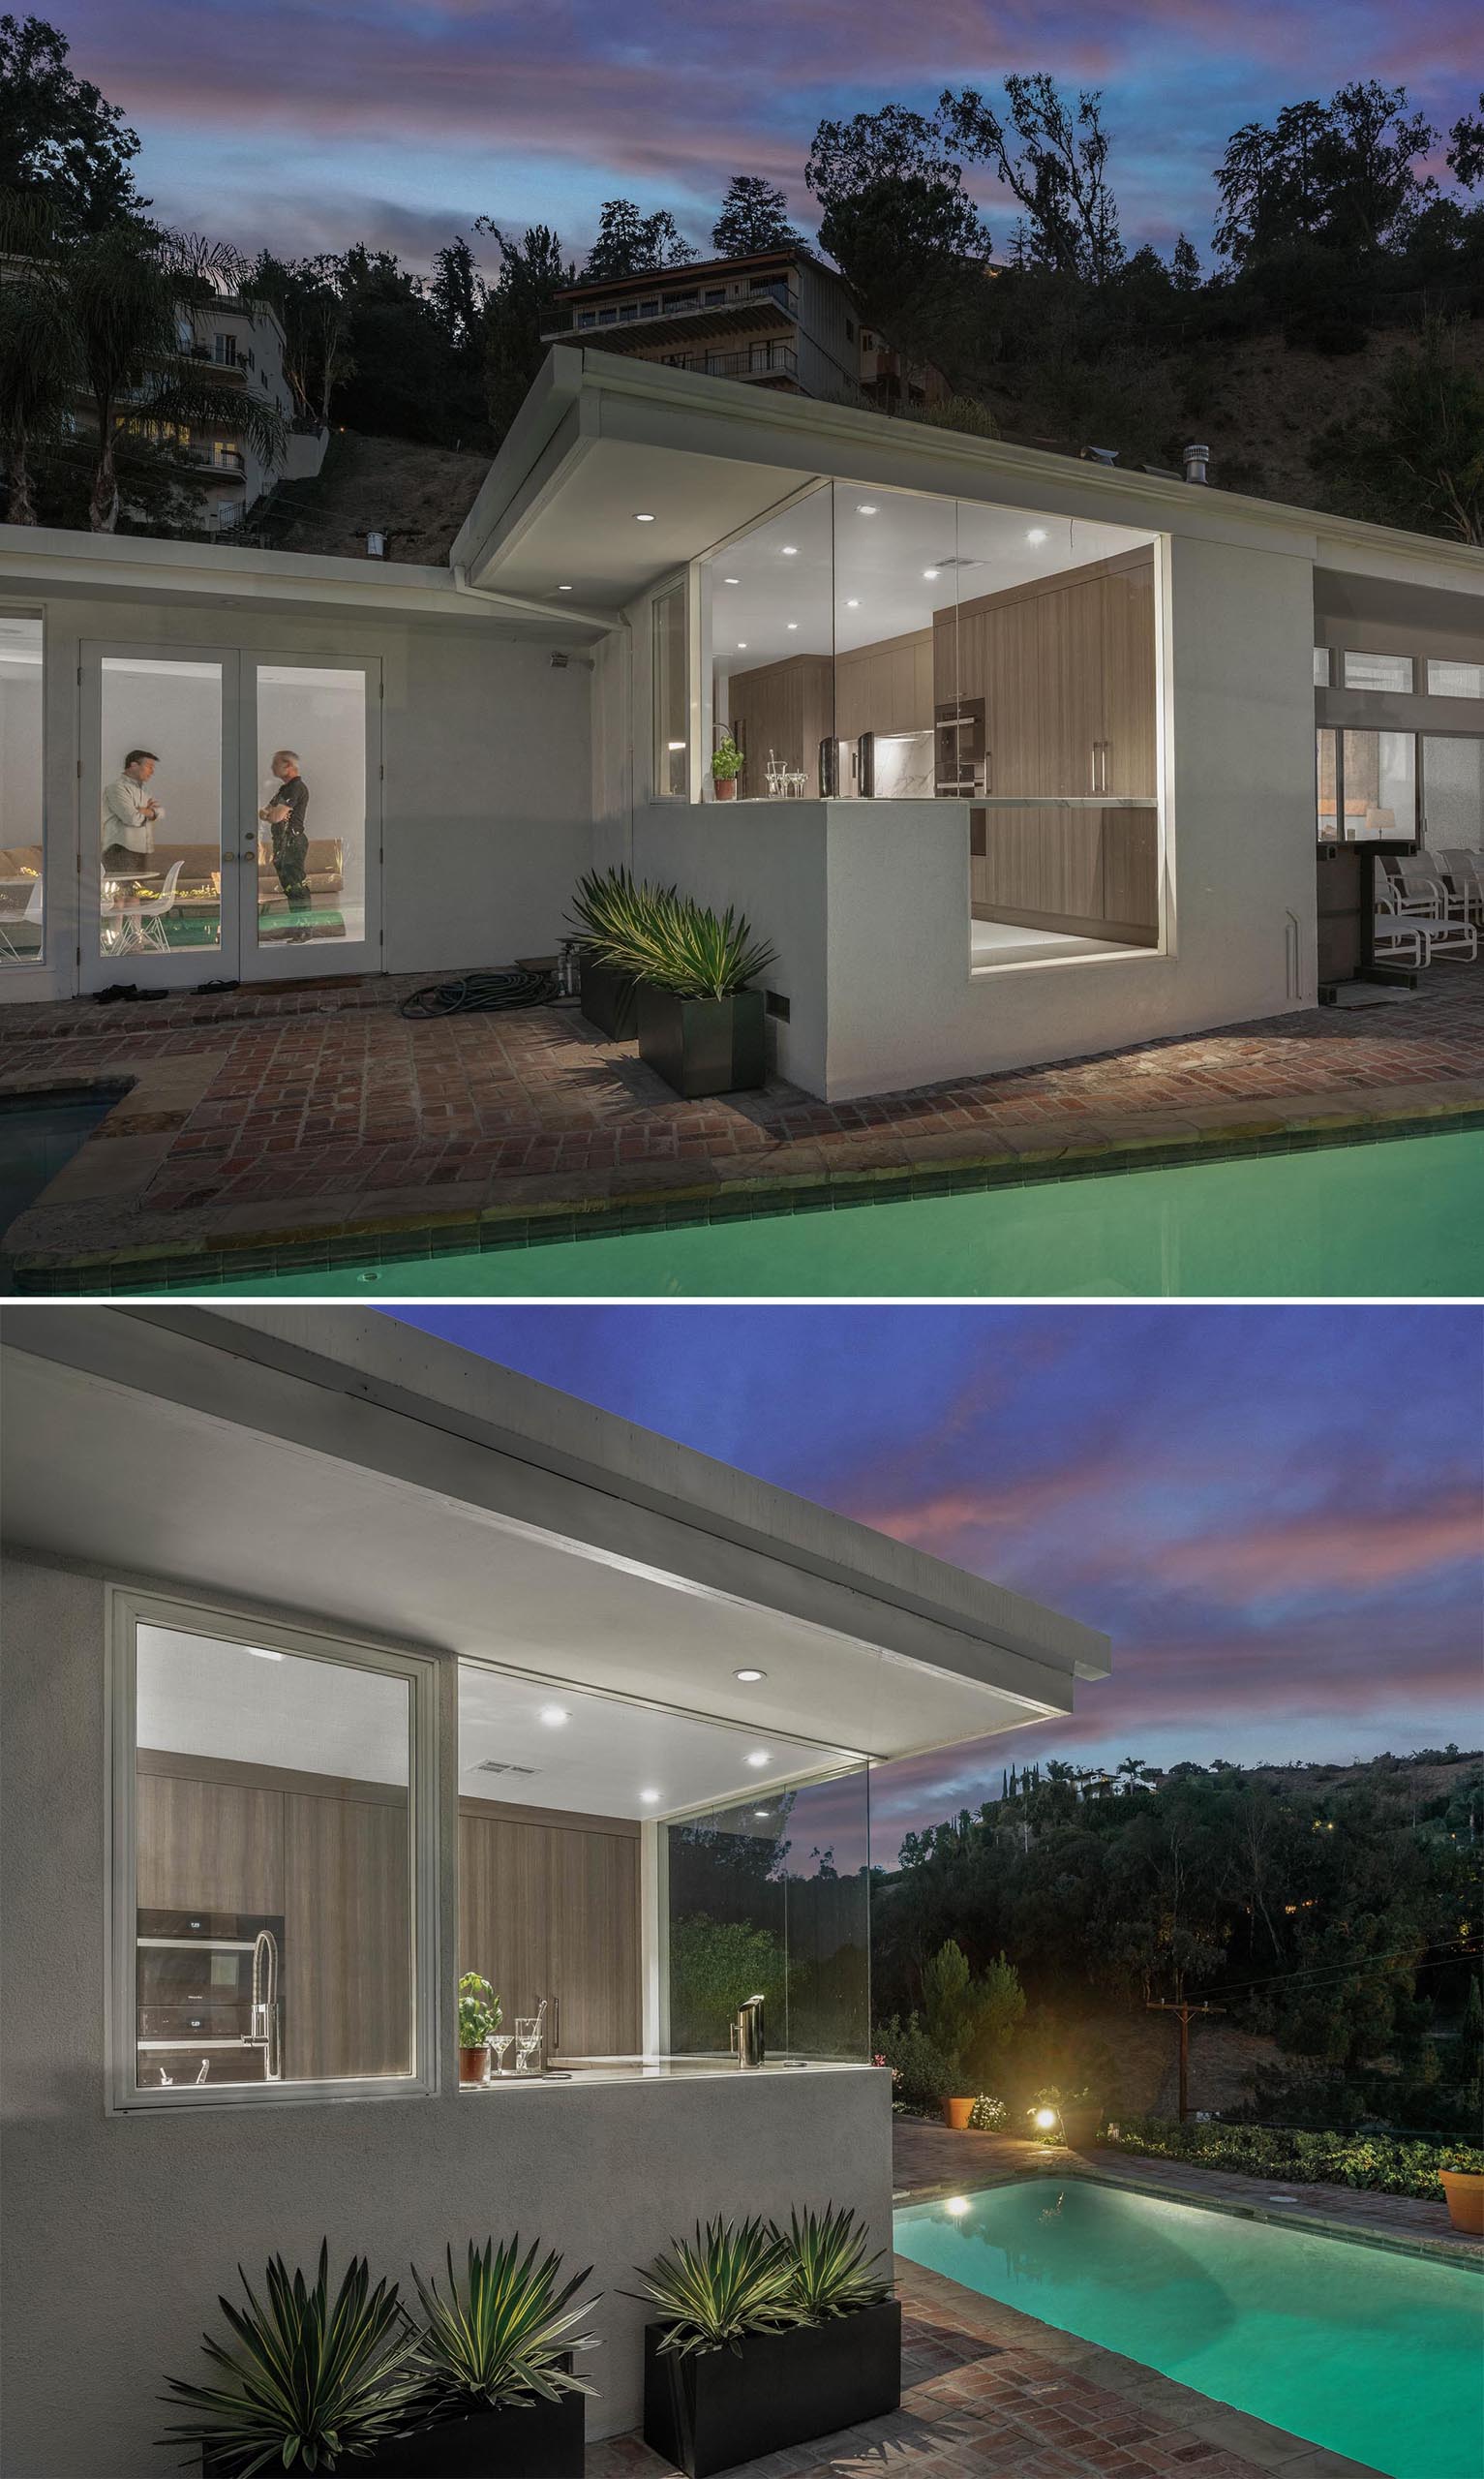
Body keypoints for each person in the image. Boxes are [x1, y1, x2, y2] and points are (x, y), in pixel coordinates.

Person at [259, 750, 311, 914]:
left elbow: (275, 816)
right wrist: (270, 814)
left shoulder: (295, 788)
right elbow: (264, 812)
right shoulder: (284, 789)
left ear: (288, 766)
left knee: (296, 886)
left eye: (276, 763)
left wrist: (271, 814)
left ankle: (304, 929)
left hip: (292, 841)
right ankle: (297, 927)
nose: (272, 767)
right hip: (283, 842)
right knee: (289, 886)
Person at [101, 750, 163, 883]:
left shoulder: (143, 790)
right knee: (119, 896)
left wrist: (146, 812)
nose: (151, 771)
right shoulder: (116, 788)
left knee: (135, 894)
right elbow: (131, 819)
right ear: (134, 765)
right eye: (149, 767)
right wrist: (147, 813)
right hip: (121, 848)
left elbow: (160, 812)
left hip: (141, 849)